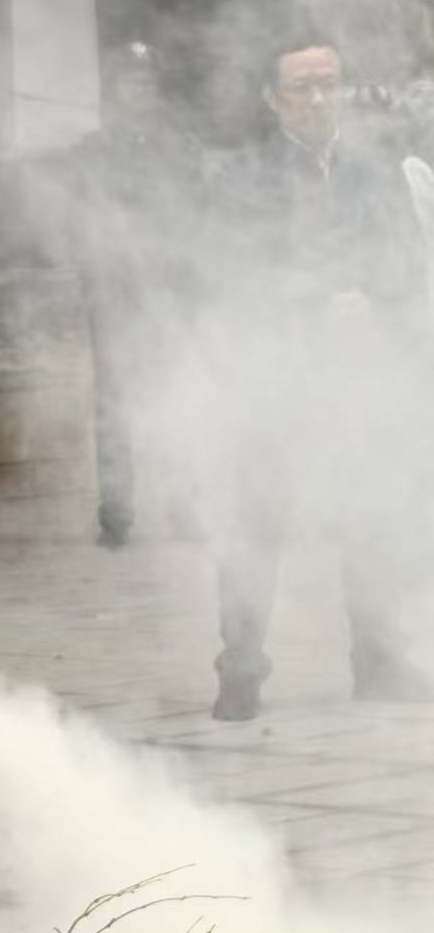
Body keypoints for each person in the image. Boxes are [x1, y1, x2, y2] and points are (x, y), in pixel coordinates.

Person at [201, 24, 431, 721]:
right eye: (302, 86)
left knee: (373, 512)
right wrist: (316, 299)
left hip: (359, 375)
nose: (318, 98)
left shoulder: (374, 170)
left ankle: (379, 661)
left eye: (329, 84)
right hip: (274, 378)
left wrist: (375, 297)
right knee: (255, 522)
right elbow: (230, 265)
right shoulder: (241, 177)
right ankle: (241, 669)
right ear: (272, 98)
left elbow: (407, 256)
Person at [70, 41, 202, 547]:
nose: (139, 90)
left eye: (146, 82)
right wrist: (102, 276)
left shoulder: (182, 148)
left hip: (170, 289)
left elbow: (194, 215)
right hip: (114, 292)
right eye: (129, 82)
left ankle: (187, 508)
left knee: (178, 394)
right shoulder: (92, 152)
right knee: (115, 403)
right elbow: (81, 222)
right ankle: (116, 514)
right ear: (114, 91)